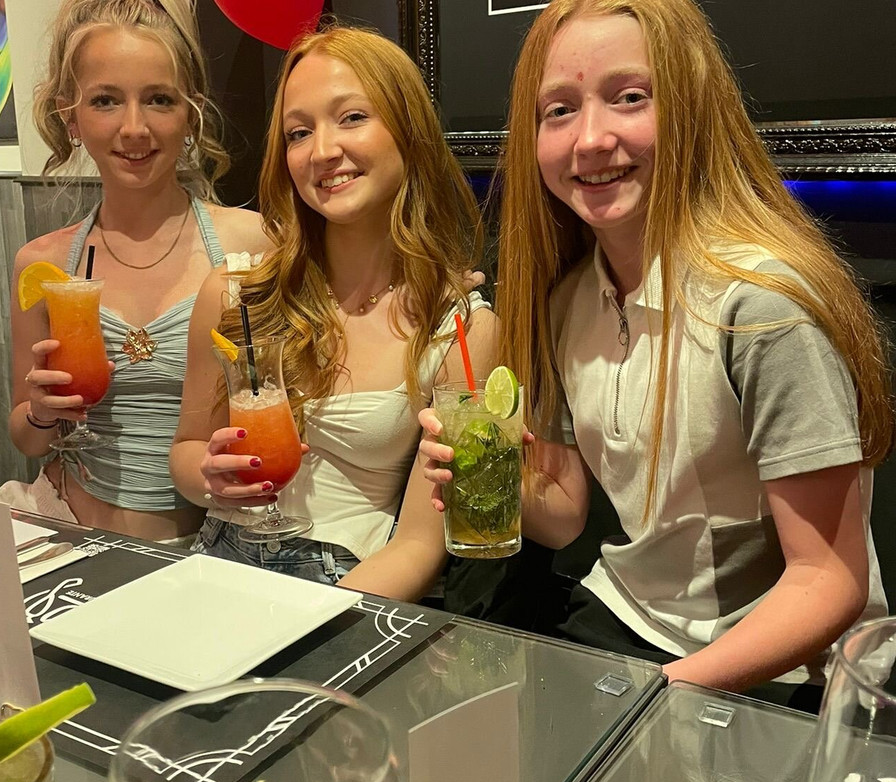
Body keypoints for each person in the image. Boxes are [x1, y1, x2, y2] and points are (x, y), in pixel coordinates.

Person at [420, 0, 893, 707]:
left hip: (785, 670)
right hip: (626, 619)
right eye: (559, 110)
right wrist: (481, 472)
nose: (590, 139)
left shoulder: (762, 309)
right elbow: (564, 514)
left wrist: (648, 696)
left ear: (692, 108)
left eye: (630, 98)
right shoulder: (565, 299)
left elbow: (828, 582)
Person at [170, 26, 495, 600]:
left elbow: (420, 545)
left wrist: (318, 618)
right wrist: (210, 478)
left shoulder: (461, 328)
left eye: (352, 118)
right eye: (299, 132)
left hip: (348, 584)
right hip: (215, 565)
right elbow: (187, 452)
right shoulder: (236, 294)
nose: (321, 151)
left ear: (409, 130)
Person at [0, 0, 271, 542]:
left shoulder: (250, 244)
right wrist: (42, 413)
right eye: (105, 100)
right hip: (66, 529)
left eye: (158, 99)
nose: (134, 128)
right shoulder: (43, 264)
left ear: (190, 114)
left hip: (208, 546)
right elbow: (26, 439)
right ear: (71, 119)